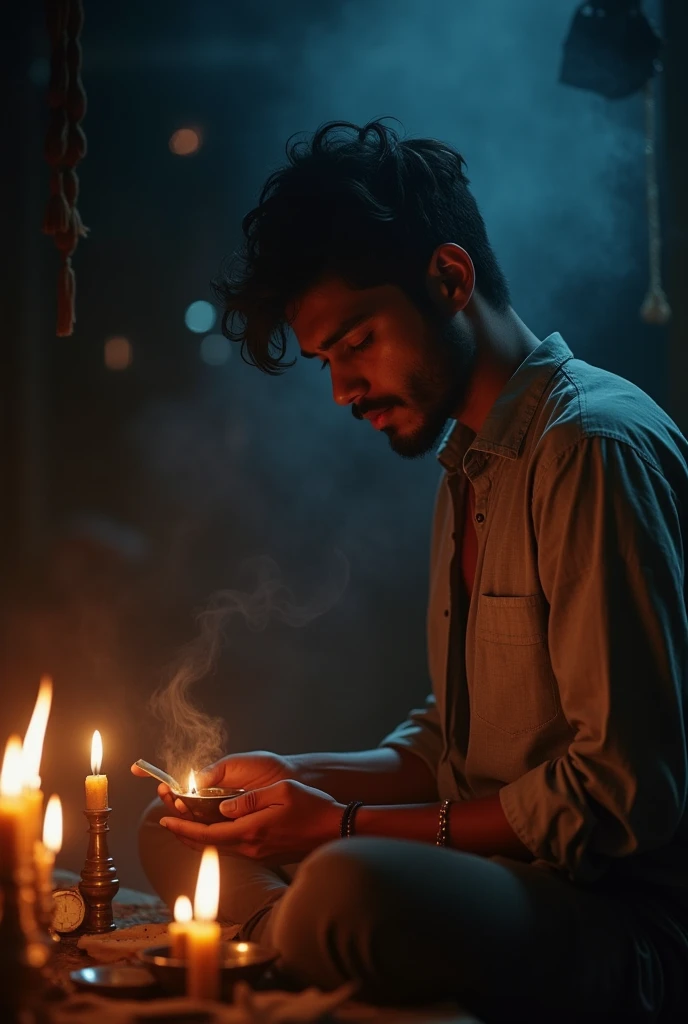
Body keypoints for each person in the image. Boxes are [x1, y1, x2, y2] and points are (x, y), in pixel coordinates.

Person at [134, 120, 688, 1023]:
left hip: (619, 924)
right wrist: (293, 783)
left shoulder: (591, 446)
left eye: (356, 341)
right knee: (174, 829)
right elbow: (449, 752)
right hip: (483, 886)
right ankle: (302, 950)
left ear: (450, 279)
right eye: (326, 362)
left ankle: (292, 946)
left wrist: (340, 828)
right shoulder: (468, 462)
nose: (342, 390)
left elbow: (618, 797)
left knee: (348, 886)